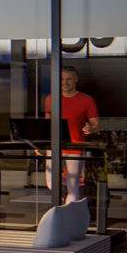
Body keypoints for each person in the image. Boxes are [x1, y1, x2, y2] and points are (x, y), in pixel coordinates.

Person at [44, 65, 100, 202]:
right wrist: (41, 144)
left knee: (73, 185)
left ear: (76, 79)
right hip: (54, 147)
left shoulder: (86, 100)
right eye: (62, 79)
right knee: (51, 183)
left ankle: (68, 211)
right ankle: (62, 204)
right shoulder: (51, 98)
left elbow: (96, 125)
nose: (65, 82)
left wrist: (90, 129)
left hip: (75, 147)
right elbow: (46, 124)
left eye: (68, 79)